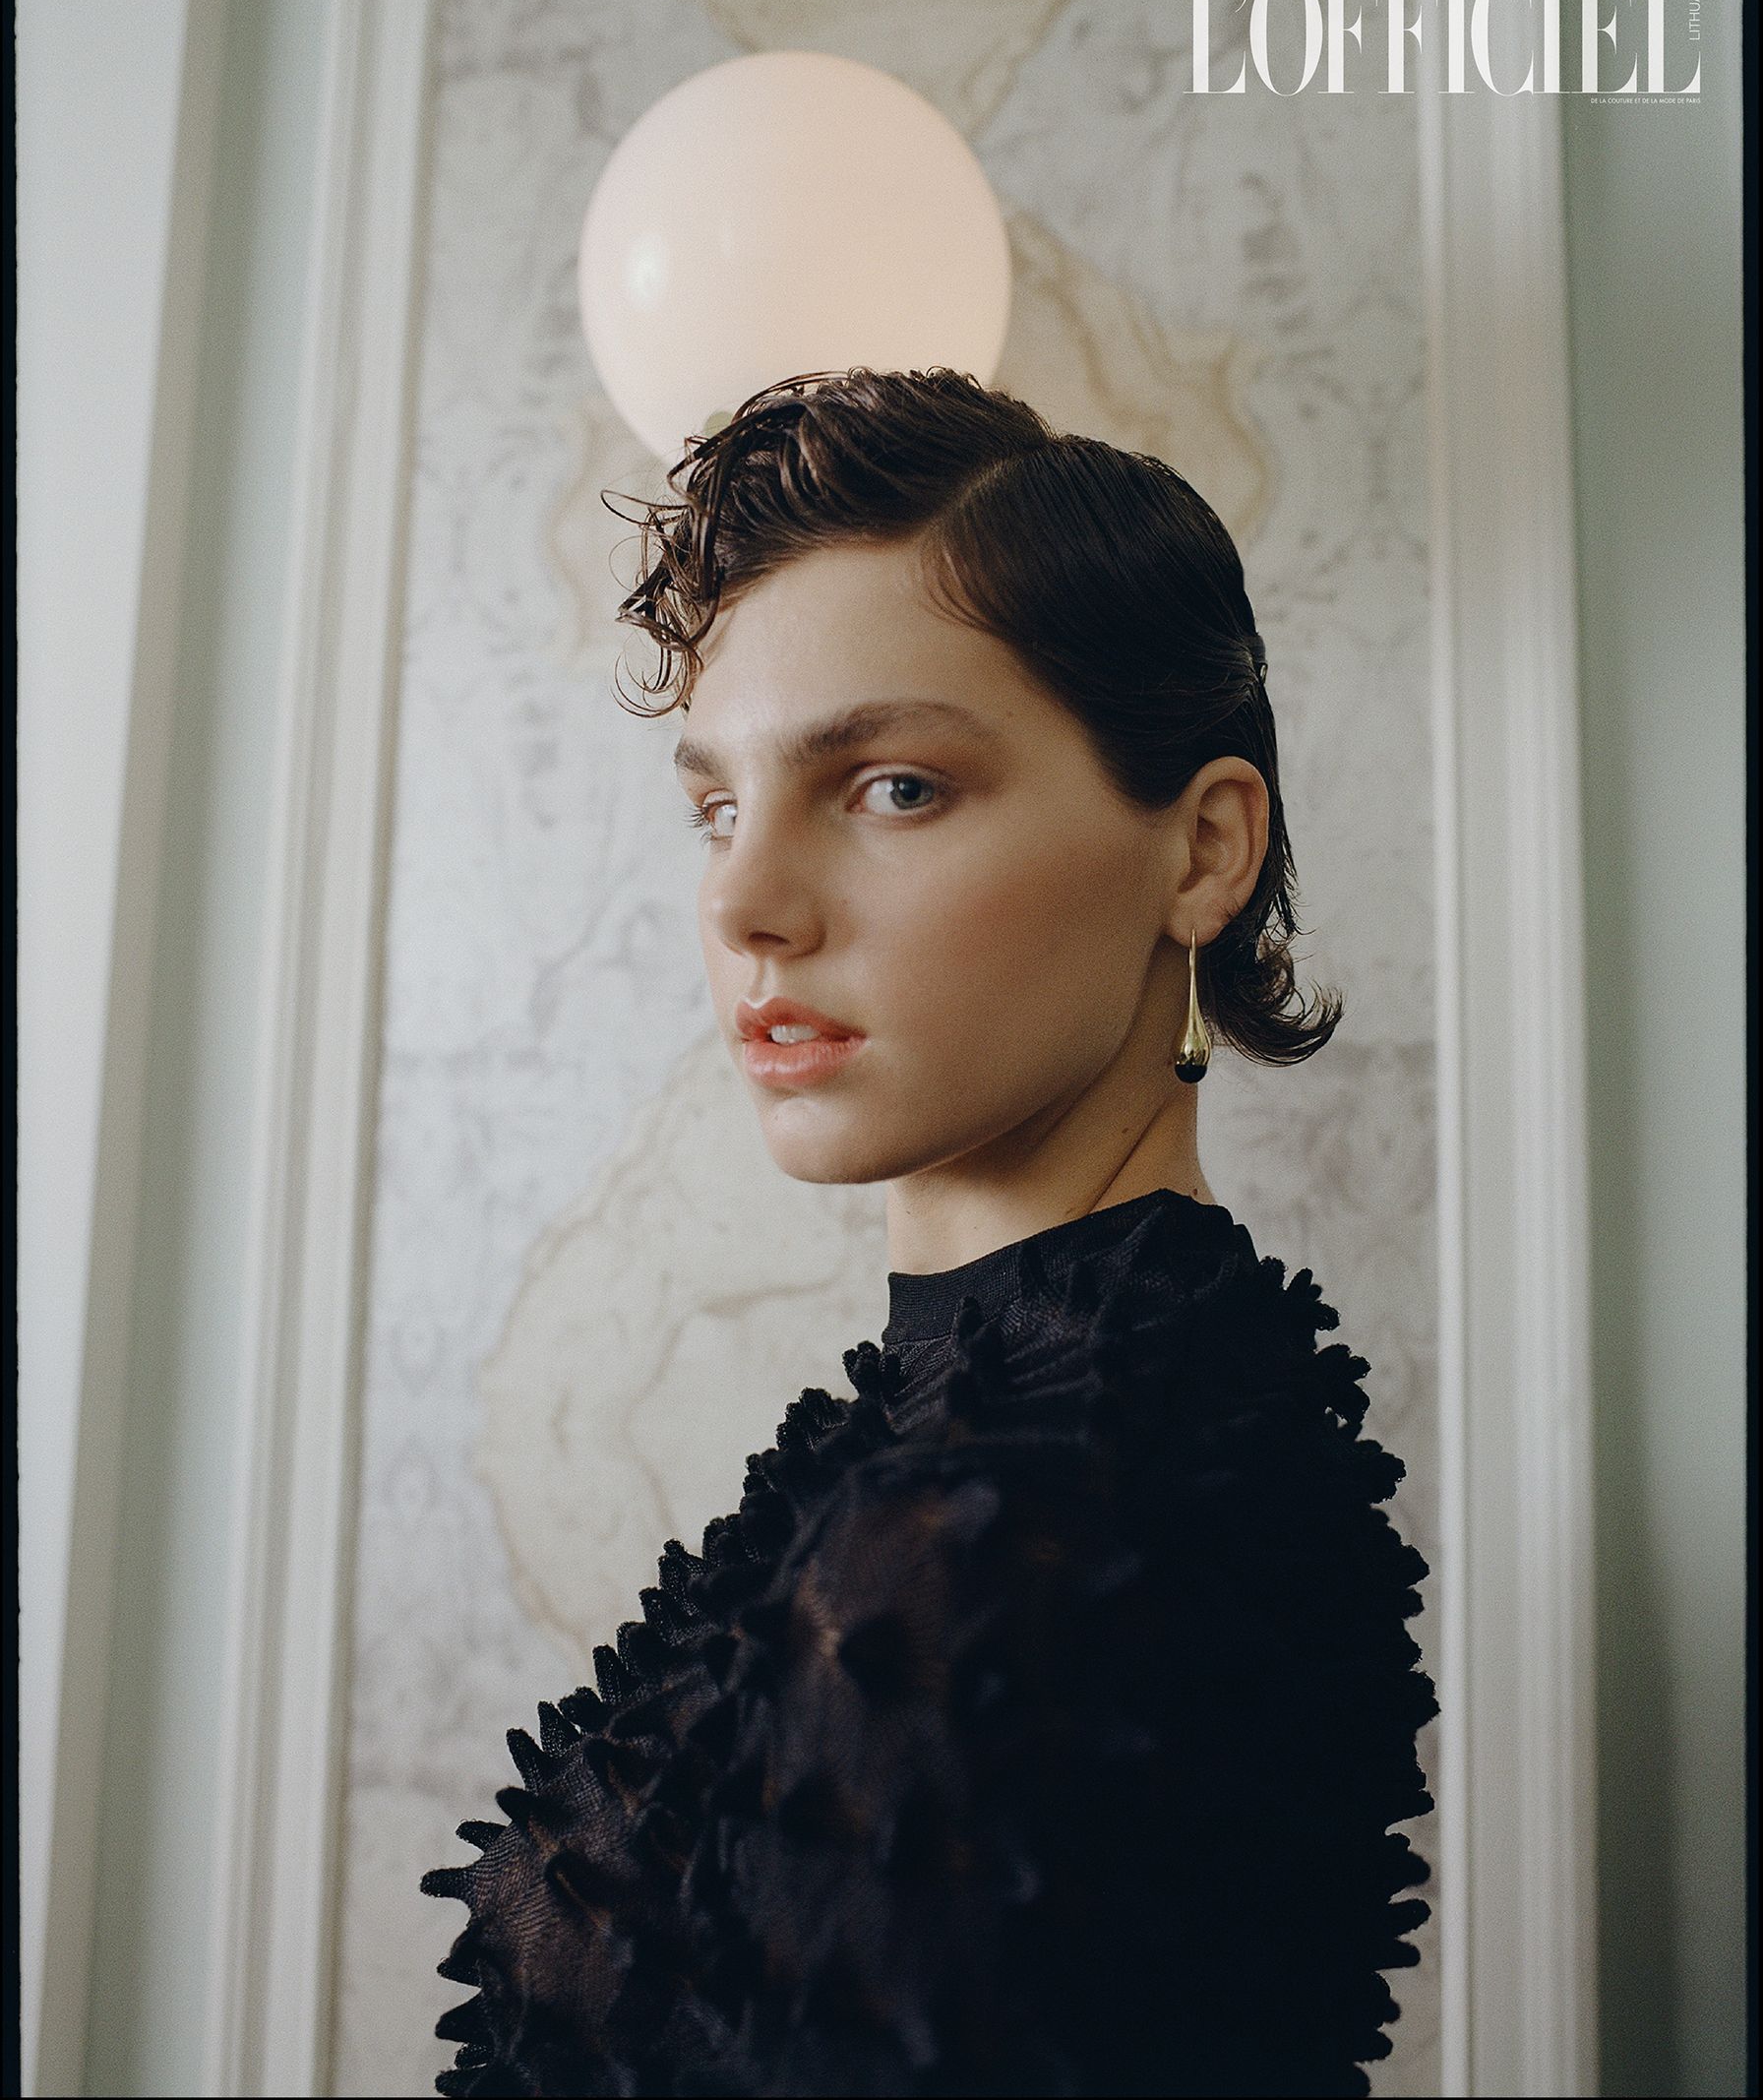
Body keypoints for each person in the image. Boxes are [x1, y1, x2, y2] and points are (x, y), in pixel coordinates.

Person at [421, 368, 1437, 2098]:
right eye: (715, 807)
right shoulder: (1088, 1416)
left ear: (1203, 850)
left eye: (892, 787)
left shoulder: (1036, 1506)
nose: (744, 904)